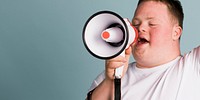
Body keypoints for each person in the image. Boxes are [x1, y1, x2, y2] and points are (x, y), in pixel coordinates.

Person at [86, 0, 200, 100]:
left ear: (175, 32)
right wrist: (110, 82)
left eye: (152, 24)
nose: (141, 28)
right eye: (135, 24)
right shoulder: (109, 77)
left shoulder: (192, 67)